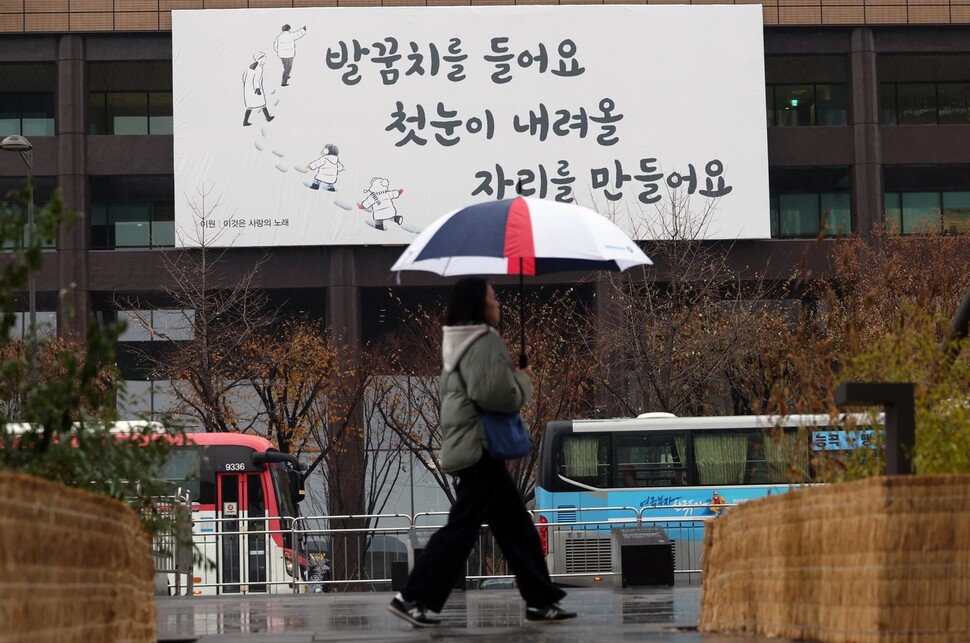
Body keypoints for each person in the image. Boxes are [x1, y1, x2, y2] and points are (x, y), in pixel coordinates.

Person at [388, 278, 576, 628]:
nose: (498, 300)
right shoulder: (484, 340)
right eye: (492, 294)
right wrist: (522, 379)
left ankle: (540, 600)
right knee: (464, 529)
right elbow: (493, 395)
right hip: (482, 448)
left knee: (515, 527)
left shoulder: (458, 343)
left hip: (474, 446)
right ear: (478, 302)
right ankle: (412, 596)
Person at [242, 52, 273, 127]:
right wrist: (257, 89)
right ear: (257, 60)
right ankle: (268, 118)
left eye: (264, 59)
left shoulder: (250, 67)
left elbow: (243, 77)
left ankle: (245, 121)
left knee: (250, 106)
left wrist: (246, 85)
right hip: (256, 89)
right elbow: (256, 80)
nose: (263, 61)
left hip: (248, 89)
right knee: (262, 104)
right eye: (261, 60)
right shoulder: (259, 68)